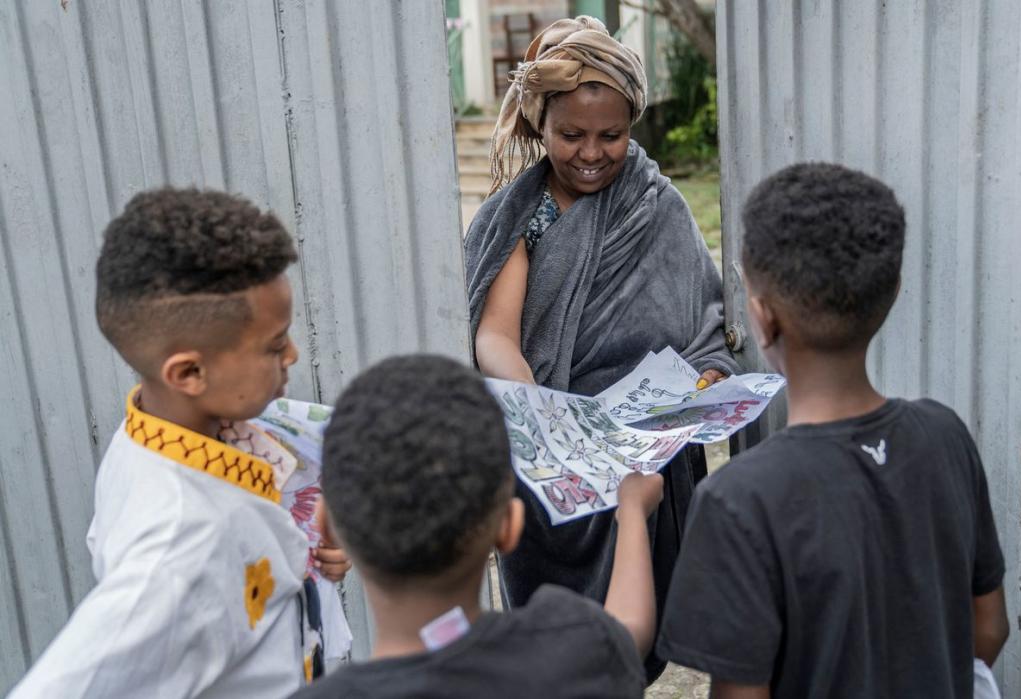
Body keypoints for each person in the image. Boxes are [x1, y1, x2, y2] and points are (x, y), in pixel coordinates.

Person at [657, 163, 1010, 697]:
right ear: (891, 294)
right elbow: (990, 628)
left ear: (762, 316)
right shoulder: (945, 436)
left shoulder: (737, 499)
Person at [464, 16, 737, 679]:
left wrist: (699, 383)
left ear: (632, 127)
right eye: (571, 135)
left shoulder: (657, 205)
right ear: (541, 128)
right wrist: (550, 419)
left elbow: (700, 324)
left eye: (610, 135)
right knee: (556, 649)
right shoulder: (524, 217)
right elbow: (495, 337)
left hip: (643, 455)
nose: (591, 151)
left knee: (632, 637)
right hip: (554, 452)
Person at [11, 189, 350, 698]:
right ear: (189, 372)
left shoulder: (157, 431)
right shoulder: (179, 551)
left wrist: (300, 559)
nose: (294, 354)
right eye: (275, 345)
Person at [290, 354, 664, 698]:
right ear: (509, 527)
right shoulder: (567, 653)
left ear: (325, 524)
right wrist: (630, 513)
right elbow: (629, 632)